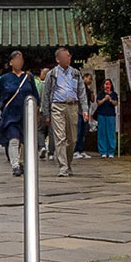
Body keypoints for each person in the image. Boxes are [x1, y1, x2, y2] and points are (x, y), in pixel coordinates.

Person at [0, 50, 39, 177]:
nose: (19, 61)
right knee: (13, 139)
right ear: (11, 62)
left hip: (26, 115)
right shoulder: (4, 79)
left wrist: (37, 113)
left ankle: (25, 162)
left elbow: (35, 97)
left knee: (26, 141)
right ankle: (15, 165)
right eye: (16, 59)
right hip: (10, 115)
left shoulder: (29, 78)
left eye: (21, 59)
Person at [44, 47, 84, 177]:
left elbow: (81, 92)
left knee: (72, 139)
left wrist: (85, 110)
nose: (68, 58)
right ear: (58, 59)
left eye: (69, 56)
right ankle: (63, 166)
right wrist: (46, 113)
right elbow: (46, 93)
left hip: (72, 106)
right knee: (60, 137)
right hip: (57, 106)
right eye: (65, 56)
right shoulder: (52, 74)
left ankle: (68, 162)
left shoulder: (76, 73)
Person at [92, 78, 119, 158]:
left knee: (111, 133)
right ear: (103, 85)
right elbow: (98, 103)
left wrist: (110, 99)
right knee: (102, 133)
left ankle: (111, 151)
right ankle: (103, 151)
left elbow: (116, 103)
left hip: (111, 115)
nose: (107, 85)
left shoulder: (114, 94)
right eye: (106, 84)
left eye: (109, 84)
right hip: (101, 115)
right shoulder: (100, 94)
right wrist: (104, 99)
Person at [74, 73, 92, 159]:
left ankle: (81, 149)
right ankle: (76, 150)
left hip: (86, 111)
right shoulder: (79, 87)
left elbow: (92, 99)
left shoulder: (88, 89)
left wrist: (91, 91)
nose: (90, 81)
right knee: (78, 131)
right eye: (89, 78)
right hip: (79, 111)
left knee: (84, 132)